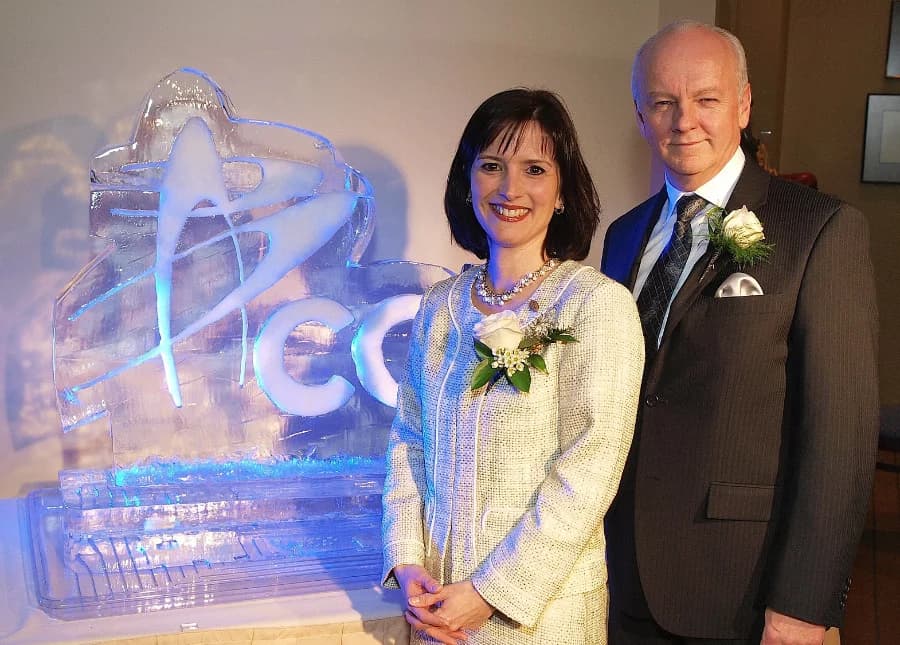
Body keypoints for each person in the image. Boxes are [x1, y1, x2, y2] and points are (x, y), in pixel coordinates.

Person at [601, 19, 880, 644]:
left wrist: (804, 604)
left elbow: (840, 437)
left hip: (743, 588)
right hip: (622, 578)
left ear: (744, 104)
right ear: (641, 114)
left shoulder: (821, 230)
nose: (684, 121)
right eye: (664, 103)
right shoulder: (622, 236)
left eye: (706, 100)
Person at [382, 88, 644, 644]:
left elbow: (591, 472)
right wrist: (407, 563)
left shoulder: (595, 305)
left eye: (534, 169)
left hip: (543, 617)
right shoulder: (440, 305)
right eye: (492, 166)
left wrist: (489, 594)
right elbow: (408, 438)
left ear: (564, 191)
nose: (510, 189)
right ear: (467, 180)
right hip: (436, 611)